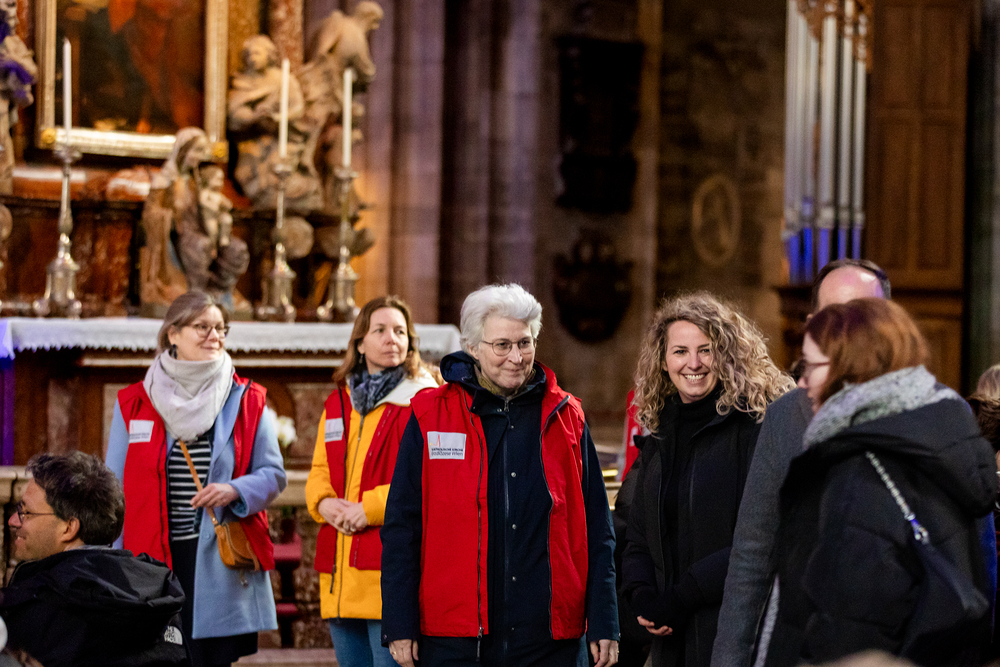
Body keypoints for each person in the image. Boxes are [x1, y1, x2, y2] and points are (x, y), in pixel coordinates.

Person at [381, 283, 619, 667]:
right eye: (502, 345)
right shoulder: (429, 415)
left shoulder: (567, 417)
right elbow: (401, 527)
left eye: (525, 343)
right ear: (473, 348)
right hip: (454, 638)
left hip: (548, 639)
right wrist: (399, 621)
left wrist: (604, 618)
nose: (517, 357)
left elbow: (597, 528)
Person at [764, 298, 995, 666]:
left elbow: (850, 627)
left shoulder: (861, 470)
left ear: (851, 368)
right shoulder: (933, 438)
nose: (802, 380)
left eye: (811, 365)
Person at [711, 259, 892, 667]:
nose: (848, 328)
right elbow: (753, 554)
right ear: (812, 324)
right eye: (834, 314)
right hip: (799, 645)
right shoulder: (786, 417)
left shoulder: (930, 413)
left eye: (863, 313)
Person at [106, 291, 287, 667]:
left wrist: (234, 489)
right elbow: (114, 491)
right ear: (172, 334)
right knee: (156, 658)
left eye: (220, 328)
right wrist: (115, 564)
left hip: (217, 563)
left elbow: (273, 474)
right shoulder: (135, 403)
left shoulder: (246, 399)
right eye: (202, 327)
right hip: (151, 560)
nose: (214, 336)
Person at [621, 292, 793, 667]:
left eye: (706, 350)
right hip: (667, 638)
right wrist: (642, 594)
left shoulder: (754, 426)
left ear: (726, 355)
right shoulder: (660, 431)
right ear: (663, 361)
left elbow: (761, 537)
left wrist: (683, 596)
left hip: (730, 631)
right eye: (680, 351)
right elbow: (638, 533)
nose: (694, 363)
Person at [305, 295, 438, 667]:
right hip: (339, 575)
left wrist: (370, 508)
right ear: (360, 343)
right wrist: (323, 502)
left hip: (386, 572)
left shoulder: (423, 401)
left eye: (400, 331)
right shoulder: (339, 402)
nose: (391, 338)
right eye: (380, 330)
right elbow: (318, 470)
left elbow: (430, 477)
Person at [0, 452, 189, 666]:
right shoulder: (160, 598)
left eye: (25, 512)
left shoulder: (35, 607)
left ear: (69, 528)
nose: (13, 521)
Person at [140, 128, 250, 313]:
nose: (200, 156)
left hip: (205, 231)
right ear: (183, 150)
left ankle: (221, 291)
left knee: (237, 249)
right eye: (197, 150)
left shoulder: (196, 181)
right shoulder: (165, 180)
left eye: (202, 151)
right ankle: (197, 293)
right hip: (178, 236)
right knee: (200, 246)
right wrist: (170, 218)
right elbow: (151, 213)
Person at [227, 35, 320, 209]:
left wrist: (278, 118)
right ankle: (265, 204)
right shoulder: (242, 81)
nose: (252, 58)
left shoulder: (283, 80)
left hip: (281, 138)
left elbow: (298, 108)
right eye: (249, 54)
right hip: (252, 138)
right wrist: (254, 116)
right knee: (243, 173)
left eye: (257, 53)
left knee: (277, 174)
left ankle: (276, 205)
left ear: (269, 55)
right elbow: (233, 113)